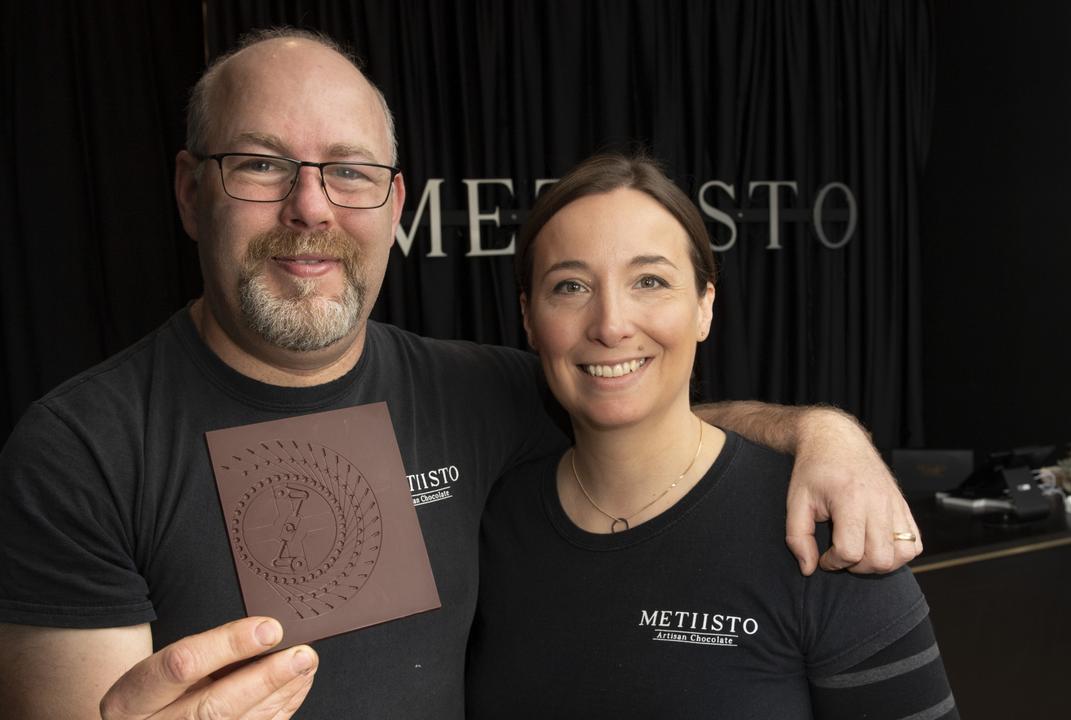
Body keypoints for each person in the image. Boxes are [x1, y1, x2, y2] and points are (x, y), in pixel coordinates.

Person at [0, 28, 920, 720]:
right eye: (261, 165)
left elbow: (634, 410)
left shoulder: (478, 394)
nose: (310, 205)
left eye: (350, 172)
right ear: (189, 191)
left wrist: (820, 433)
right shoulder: (82, 451)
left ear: (394, 204)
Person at [466, 153, 955, 718]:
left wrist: (828, 429)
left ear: (705, 306)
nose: (611, 324)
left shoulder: (824, 536)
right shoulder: (492, 526)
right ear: (529, 317)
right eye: (571, 286)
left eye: (650, 280)